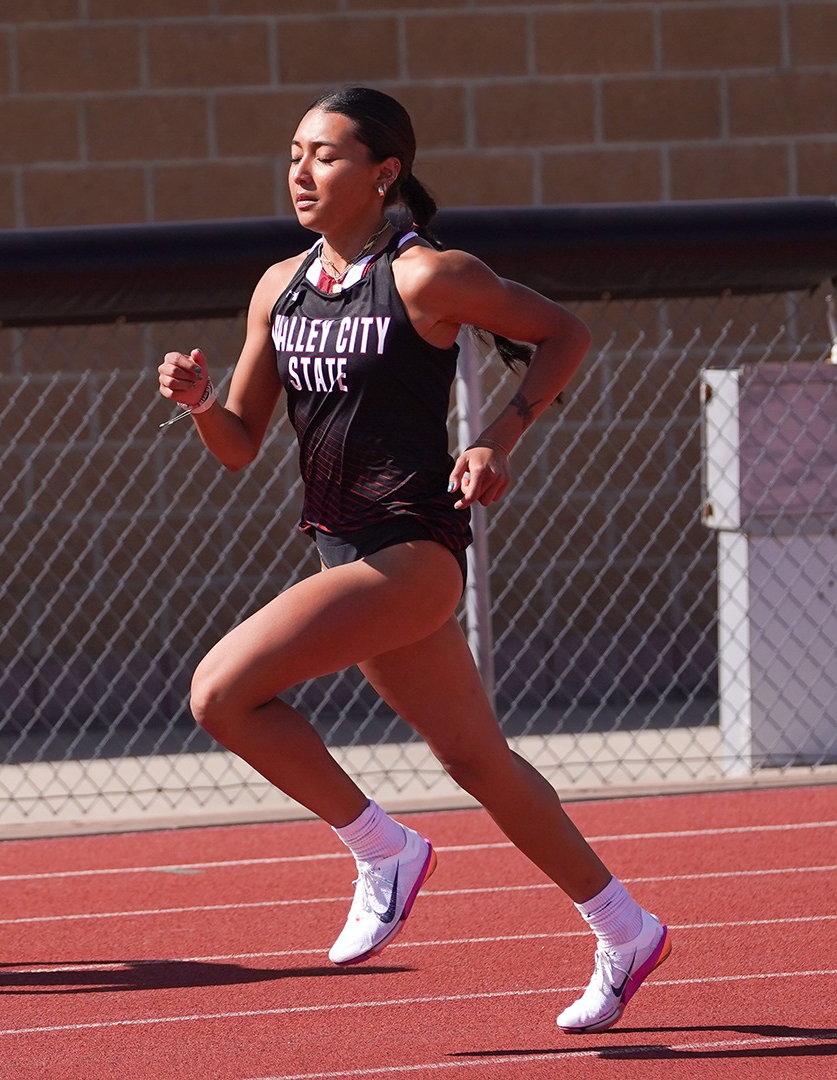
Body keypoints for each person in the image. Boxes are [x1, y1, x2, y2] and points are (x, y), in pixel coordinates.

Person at [156, 86, 668, 1034]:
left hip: (413, 552)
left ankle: (380, 847)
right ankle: (625, 926)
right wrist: (199, 404)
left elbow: (565, 332)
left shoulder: (427, 276)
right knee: (482, 764)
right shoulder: (281, 286)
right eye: (295, 153)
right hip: (342, 552)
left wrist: (498, 437)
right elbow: (240, 444)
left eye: (326, 155)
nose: (301, 171)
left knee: (220, 693)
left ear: (382, 173)